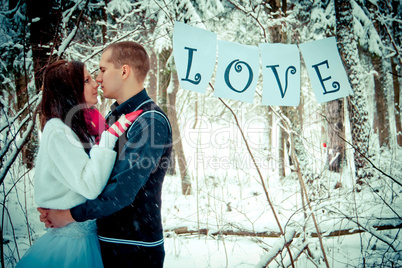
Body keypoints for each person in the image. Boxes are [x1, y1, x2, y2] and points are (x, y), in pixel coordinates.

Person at [39, 41, 173, 267]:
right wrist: (55, 201)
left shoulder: (149, 121)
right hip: (106, 243)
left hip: (134, 249)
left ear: (124, 71)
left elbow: (121, 191)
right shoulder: (114, 119)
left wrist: (69, 215)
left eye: (101, 70)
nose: (98, 79)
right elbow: (91, 175)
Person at [16, 60, 142, 267]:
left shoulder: (85, 125)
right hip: (72, 245)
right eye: (86, 80)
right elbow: (91, 186)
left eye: (92, 77)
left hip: (87, 235)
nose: (96, 83)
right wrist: (110, 137)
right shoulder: (57, 130)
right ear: (69, 89)